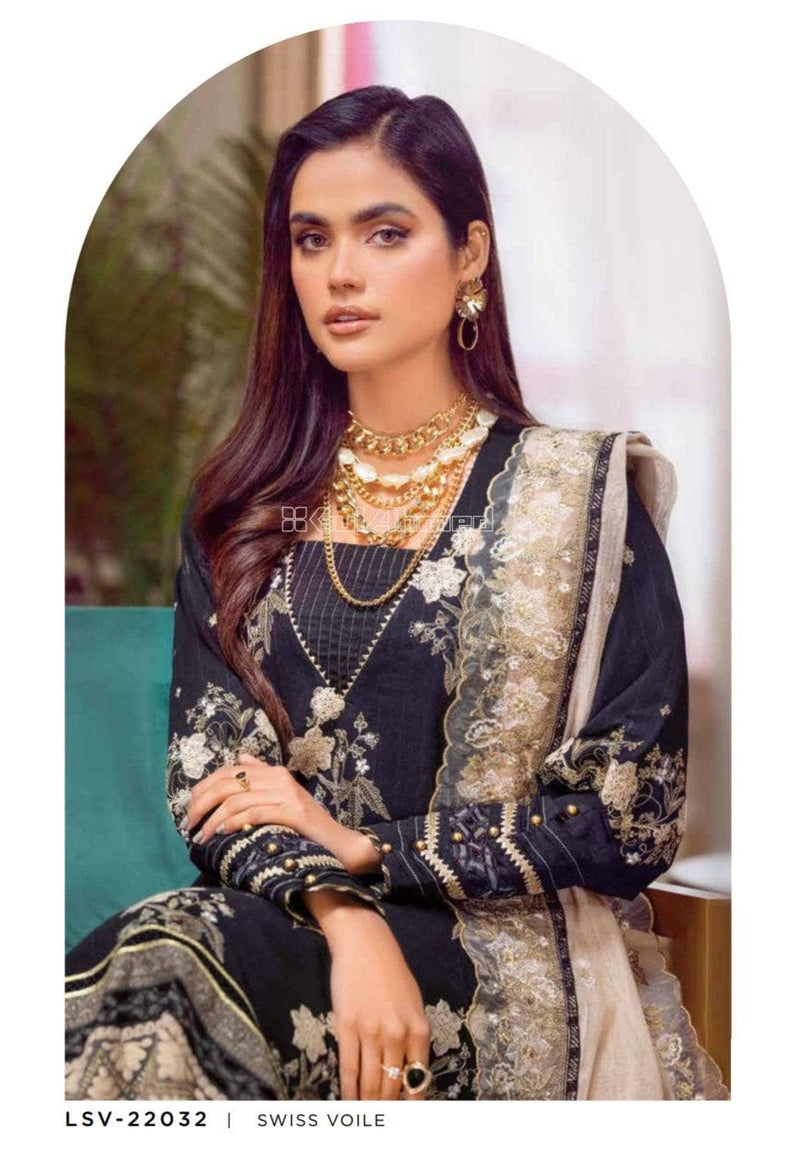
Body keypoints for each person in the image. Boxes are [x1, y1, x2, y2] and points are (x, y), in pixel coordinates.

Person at [65, 85, 729, 1101]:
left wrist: (373, 849)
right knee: (153, 968)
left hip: (501, 963)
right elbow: (216, 784)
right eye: (311, 239)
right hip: (284, 925)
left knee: (168, 974)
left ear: (468, 255)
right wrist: (348, 914)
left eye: (385, 233)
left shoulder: (577, 496)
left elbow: (628, 814)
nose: (341, 272)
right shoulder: (241, 507)